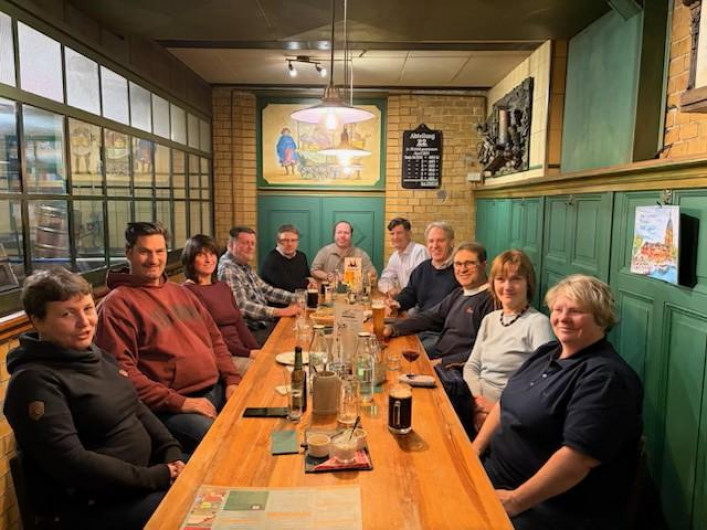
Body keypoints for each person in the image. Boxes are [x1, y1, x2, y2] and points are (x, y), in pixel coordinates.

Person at [4, 268, 185, 529]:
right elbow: (72, 463)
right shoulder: (33, 382)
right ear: (37, 321)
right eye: (67, 314)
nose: (85, 322)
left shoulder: (95, 355)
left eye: (88, 309)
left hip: (143, 482)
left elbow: (137, 408)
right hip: (93, 507)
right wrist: (157, 476)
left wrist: (171, 453)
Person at [473, 274, 643, 530]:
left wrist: (514, 501)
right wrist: (474, 451)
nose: (563, 318)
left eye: (575, 311)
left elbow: (577, 459)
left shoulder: (606, 377)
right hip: (494, 474)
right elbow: (504, 403)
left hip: (547, 506)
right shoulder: (546, 353)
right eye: (558, 309)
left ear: (601, 318)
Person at [95, 222, 241, 454]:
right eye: (144, 252)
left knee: (261, 421)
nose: (154, 259)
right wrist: (181, 403)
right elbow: (123, 373)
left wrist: (232, 380)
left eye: (160, 251)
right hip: (170, 407)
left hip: (215, 389)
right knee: (226, 446)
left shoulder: (181, 292)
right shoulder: (117, 305)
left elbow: (215, 340)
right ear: (128, 253)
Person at [463, 249, 554, 431]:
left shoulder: (538, 323)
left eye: (515, 279)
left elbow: (543, 382)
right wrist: (477, 403)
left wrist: (494, 410)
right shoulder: (490, 319)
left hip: (509, 414)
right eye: (501, 279)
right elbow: (472, 366)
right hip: (475, 402)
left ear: (528, 283)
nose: (507, 286)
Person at [384, 242, 493, 363]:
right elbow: (429, 317)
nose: (463, 269)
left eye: (470, 263)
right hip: (439, 355)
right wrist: (393, 328)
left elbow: (485, 351)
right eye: (458, 264)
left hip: (455, 367)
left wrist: (442, 362)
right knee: (390, 355)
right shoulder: (458, 293)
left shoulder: (490, 300)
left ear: (484, 265)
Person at [181, 234, 260, 376]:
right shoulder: (187, 292)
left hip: (241, 350)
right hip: (219, 355)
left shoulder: (223, 287)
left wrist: (257, 350)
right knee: (263, 372)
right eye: (201, 255)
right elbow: (209, 336)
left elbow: (239, 323)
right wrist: (247, 353)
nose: (208, 260)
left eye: (212, 254)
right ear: (190, 259)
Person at [218, 225, 299, 345]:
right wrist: (282, 311)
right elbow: (242, 307)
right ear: (230, 245)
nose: (250, 247)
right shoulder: (228, 269)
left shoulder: (243, 265)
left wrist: (299, 298)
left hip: (263, 325)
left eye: (252, 243)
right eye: (245, 243)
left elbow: (267, 290)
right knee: (293, 341)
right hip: (250, 332)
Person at [388, 221, 459, 353]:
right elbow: (411, 292)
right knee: (388, 344)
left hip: (440, 333)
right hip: (420, 326)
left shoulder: (459, 271)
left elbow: (445, 314)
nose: (435, 246)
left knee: (403, 353)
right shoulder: (423, 268)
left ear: (452, 242)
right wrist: (398, 303)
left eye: (440, 241)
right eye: (431, 241)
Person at [310, 220, 377, 282]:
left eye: (346, 233)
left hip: (353, 290)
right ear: (334, 235)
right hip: (329, 290)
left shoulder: (360, 254)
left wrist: (347, 278)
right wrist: (328, 277)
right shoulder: (325, 251)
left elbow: (373, 276)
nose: (342, 236)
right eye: (339, 232)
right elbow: (314, 270)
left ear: (351, 235)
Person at [377, 217, 429, 293]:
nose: (395, 237)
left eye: (399, 233)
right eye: (392, 234)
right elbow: (384, 279)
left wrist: (401, 293)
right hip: (405, 298)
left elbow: (423, 283)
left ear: (409, 234)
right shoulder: (394, 257)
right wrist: (390, 289)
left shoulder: (420, 251)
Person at [260, 224, 311, 293]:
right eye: (285, 240)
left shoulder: (301, 256)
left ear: (297, 242)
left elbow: (307, 277)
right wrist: (307, 282)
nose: (290, 244)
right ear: (278, 242)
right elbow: (288, 287)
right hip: (278, 299)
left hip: (300, 297)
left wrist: (309, 282)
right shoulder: (271, 260)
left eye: (293, 240)